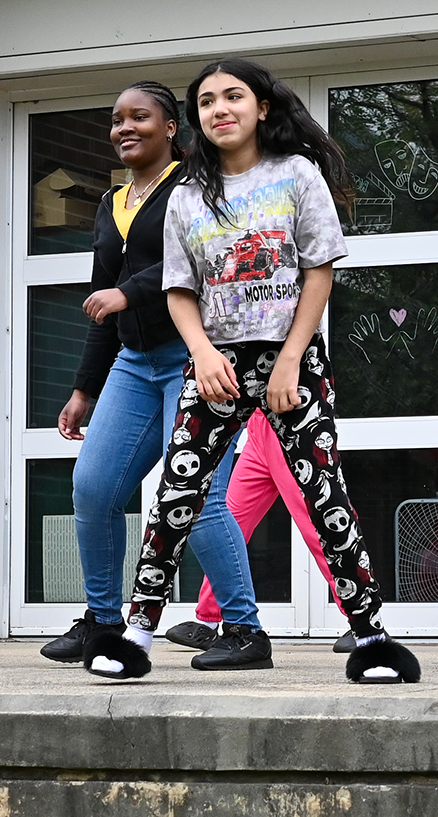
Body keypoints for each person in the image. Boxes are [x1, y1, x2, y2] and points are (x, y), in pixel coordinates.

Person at [84, 57, 421, 684]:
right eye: (206, 102)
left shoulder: (297, 175)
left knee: (325, 496)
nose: (219, 110)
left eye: (232, 97)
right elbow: (180, 288)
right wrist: (203, 354)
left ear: (262, 107)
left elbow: (320, 268)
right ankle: (135, 636)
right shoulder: (187, 195)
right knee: (176, 495)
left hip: (290, 359)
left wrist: (292, 357)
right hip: (215, 363)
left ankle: (372, 638)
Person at [42, 82, 267, 672]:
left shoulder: (196, 189)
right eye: (116, 120)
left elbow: (194, 265)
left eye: (139, 117)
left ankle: (244, 630)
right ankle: (101, 621)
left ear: (172, 127)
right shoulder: (111, 202)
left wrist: (127, 293)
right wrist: (83, 389)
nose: (124, 128)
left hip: (197, 358)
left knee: (199, 496)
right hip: (132, 364)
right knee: (93, 488)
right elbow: (101, 300)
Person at [168, 410, 360, 656]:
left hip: (288, 428)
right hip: (258, 430)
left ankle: (362, 617)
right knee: (228, 523)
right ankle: (209, 618)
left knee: (317, 524)